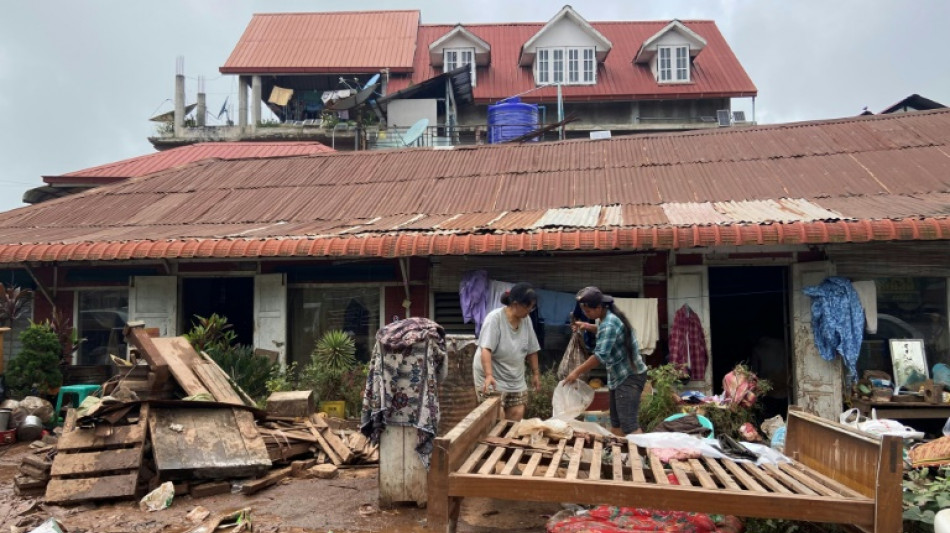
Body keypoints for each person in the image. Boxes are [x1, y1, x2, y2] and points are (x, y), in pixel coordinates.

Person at [564, 286, 648, 436]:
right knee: (616, 424)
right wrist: (587, 326)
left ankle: (643, 457)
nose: (586, 314)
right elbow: (603, 331)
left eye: (588, 311)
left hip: (629, 377)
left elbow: (599, 356)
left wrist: (575, 372)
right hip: (618, 377)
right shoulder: (606, 319)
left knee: (629, 425)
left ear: (600, 307)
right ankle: (619, 457)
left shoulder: (609, 324)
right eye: (584, 311)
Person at [472, 282, 542, 421]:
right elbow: (485, 349)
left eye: (532, 307)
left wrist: (535, 374)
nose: (530, 310)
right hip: (492, 376)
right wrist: (488, 375)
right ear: (515, 304)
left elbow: (532, 349)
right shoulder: (495, 318)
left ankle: (507, 442)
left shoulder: (526, 320)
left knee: (516, 415)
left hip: (514, 377)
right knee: (497, 418)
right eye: (528, 306)